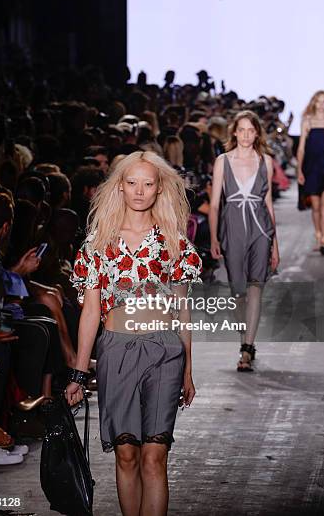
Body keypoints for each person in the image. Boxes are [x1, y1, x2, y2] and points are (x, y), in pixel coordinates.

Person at [66, 150, 202, 516]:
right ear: (120, 188)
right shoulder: (98, 242)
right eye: (132, 183)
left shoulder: (173, 240)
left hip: (164, 350)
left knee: (155, 456)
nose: (140, 191)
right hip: (116, 350)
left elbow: (182, 309)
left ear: (159, 189)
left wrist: (188, 368)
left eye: (148, 183)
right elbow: (91, 311)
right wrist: (79, 373)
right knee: (126, 454)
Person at [209, 110, 279, 372]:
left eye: (252, 130)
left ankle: (247, 347)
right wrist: (215, 236)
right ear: (234, 132)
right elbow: (215, 204)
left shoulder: (266, 162)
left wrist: (276, 245)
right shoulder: (222, 162)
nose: (247, 135)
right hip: (233, 227)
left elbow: (269, 204)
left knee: (255, 286)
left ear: (257, 133)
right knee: (237, 291)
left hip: (261, 229)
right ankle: (244, 338)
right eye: (242, 130)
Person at [297, 91, 324, 255]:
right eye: (318, 101)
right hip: (312, 167)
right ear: (314, 103)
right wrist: (299, 168)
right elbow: (301, 148)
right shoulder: (307, 122)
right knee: (315, 205)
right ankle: (318, 235)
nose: (321, 105)